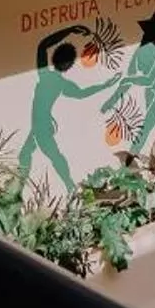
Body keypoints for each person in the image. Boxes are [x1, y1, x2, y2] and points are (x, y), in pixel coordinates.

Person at [19, 27, 109, 190]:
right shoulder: (60, 83)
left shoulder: (45, 76)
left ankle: (70, 186)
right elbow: (82, 93)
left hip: (42, 125)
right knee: (28, 154)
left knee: (51, 156)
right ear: (69, 65)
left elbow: (43, 45)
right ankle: (66, 186)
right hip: (41, 124)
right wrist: (104, 85)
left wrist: (70, 30)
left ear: (55, 59)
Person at [104, 8, 155, 144]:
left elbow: (150, 80)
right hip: (151, 90)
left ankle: (130, 158)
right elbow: (126, 83)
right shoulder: (138, 53)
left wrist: (129, 79)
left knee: (147, 124)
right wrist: (111, 101)